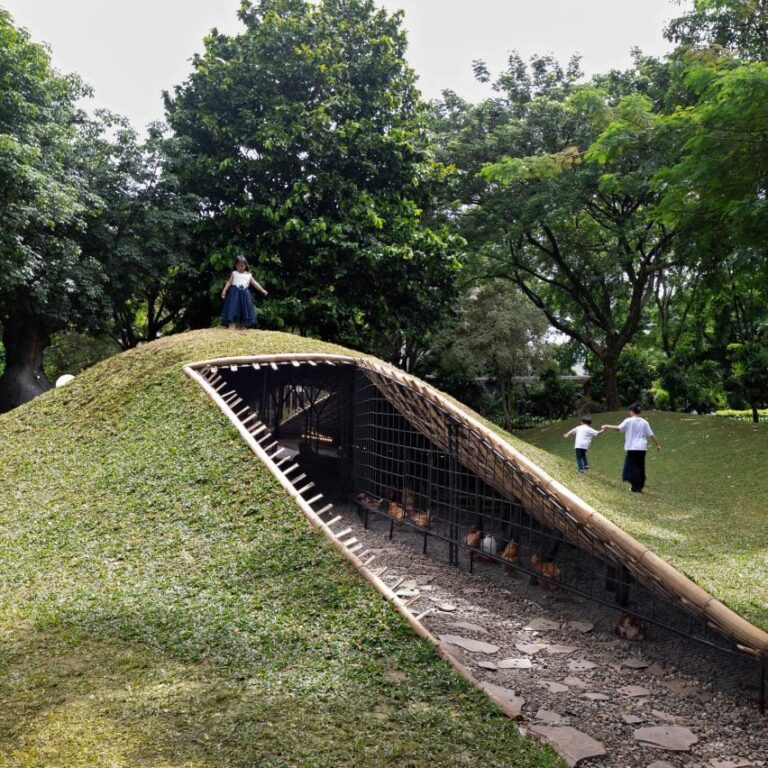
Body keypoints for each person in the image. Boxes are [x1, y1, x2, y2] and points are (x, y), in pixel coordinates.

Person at [602, 403, 661, 493]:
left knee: (632, 468)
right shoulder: (645, 422)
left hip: (632, 448)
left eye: (629, 411)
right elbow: (651, 435)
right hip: (642, 448)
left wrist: (607, 426)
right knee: (640, 467)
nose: (629, 413)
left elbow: (619, 428)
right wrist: (657, 445)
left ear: (631, 411)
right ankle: (639, 487)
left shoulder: (629, 421)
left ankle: (634, 488)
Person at [221, 256, 268, 329]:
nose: (240, 267)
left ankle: (243, 324)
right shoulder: (234, 273)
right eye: (238, 266)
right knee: (233, 308)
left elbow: (255, 283)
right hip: (234, 294)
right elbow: (229, 283)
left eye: (242, 266)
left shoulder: (248, 275)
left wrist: (262, 290)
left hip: (245, 295)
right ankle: (232, 324)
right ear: (236, 266)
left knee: (245, 308)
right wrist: (224, 291)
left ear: (245, 265)